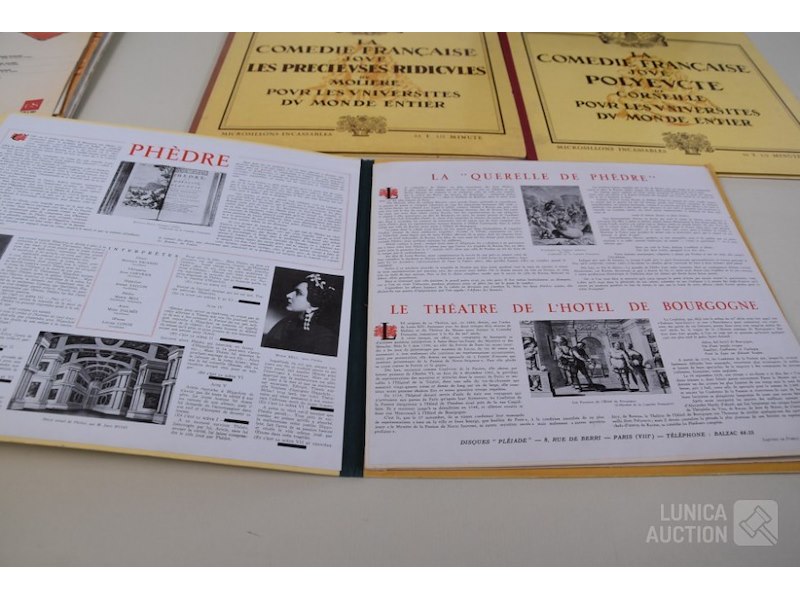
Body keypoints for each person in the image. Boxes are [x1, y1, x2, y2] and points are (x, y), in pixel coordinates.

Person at [261, 273, 339, 356]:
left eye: (298, 293)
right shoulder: (287, 324)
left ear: (314, 301)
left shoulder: (325, 338)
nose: (289, 295)